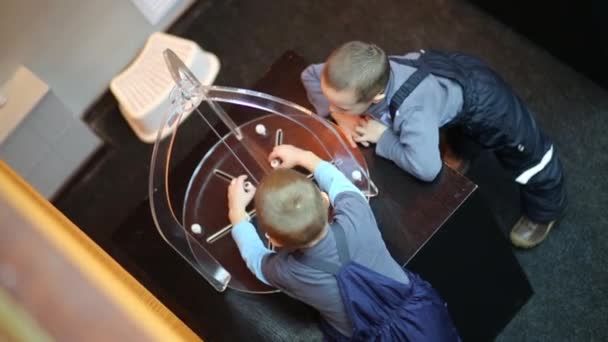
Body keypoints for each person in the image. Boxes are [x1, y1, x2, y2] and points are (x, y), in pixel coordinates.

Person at [301, 41, 567, 248]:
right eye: (331, 101)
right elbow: (310, 75)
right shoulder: (355, 75)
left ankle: (546, 209)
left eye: (343, 106)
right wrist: (341, 116)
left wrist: (383, 137)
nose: (335, 108)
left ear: (377, 96)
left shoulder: (412, 112)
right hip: (445, 84)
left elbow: (426, 168)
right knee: (456, 131)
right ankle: (462, 151)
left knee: (530, 157)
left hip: (487, 105)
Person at [227, 145, 460, 341]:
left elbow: (255, 259)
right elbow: (341, 185)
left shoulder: (285, 270)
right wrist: (305, 158)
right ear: (325, 199)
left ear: (274, 240)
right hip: (422, 319)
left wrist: (237, 214)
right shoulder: (355, 214)